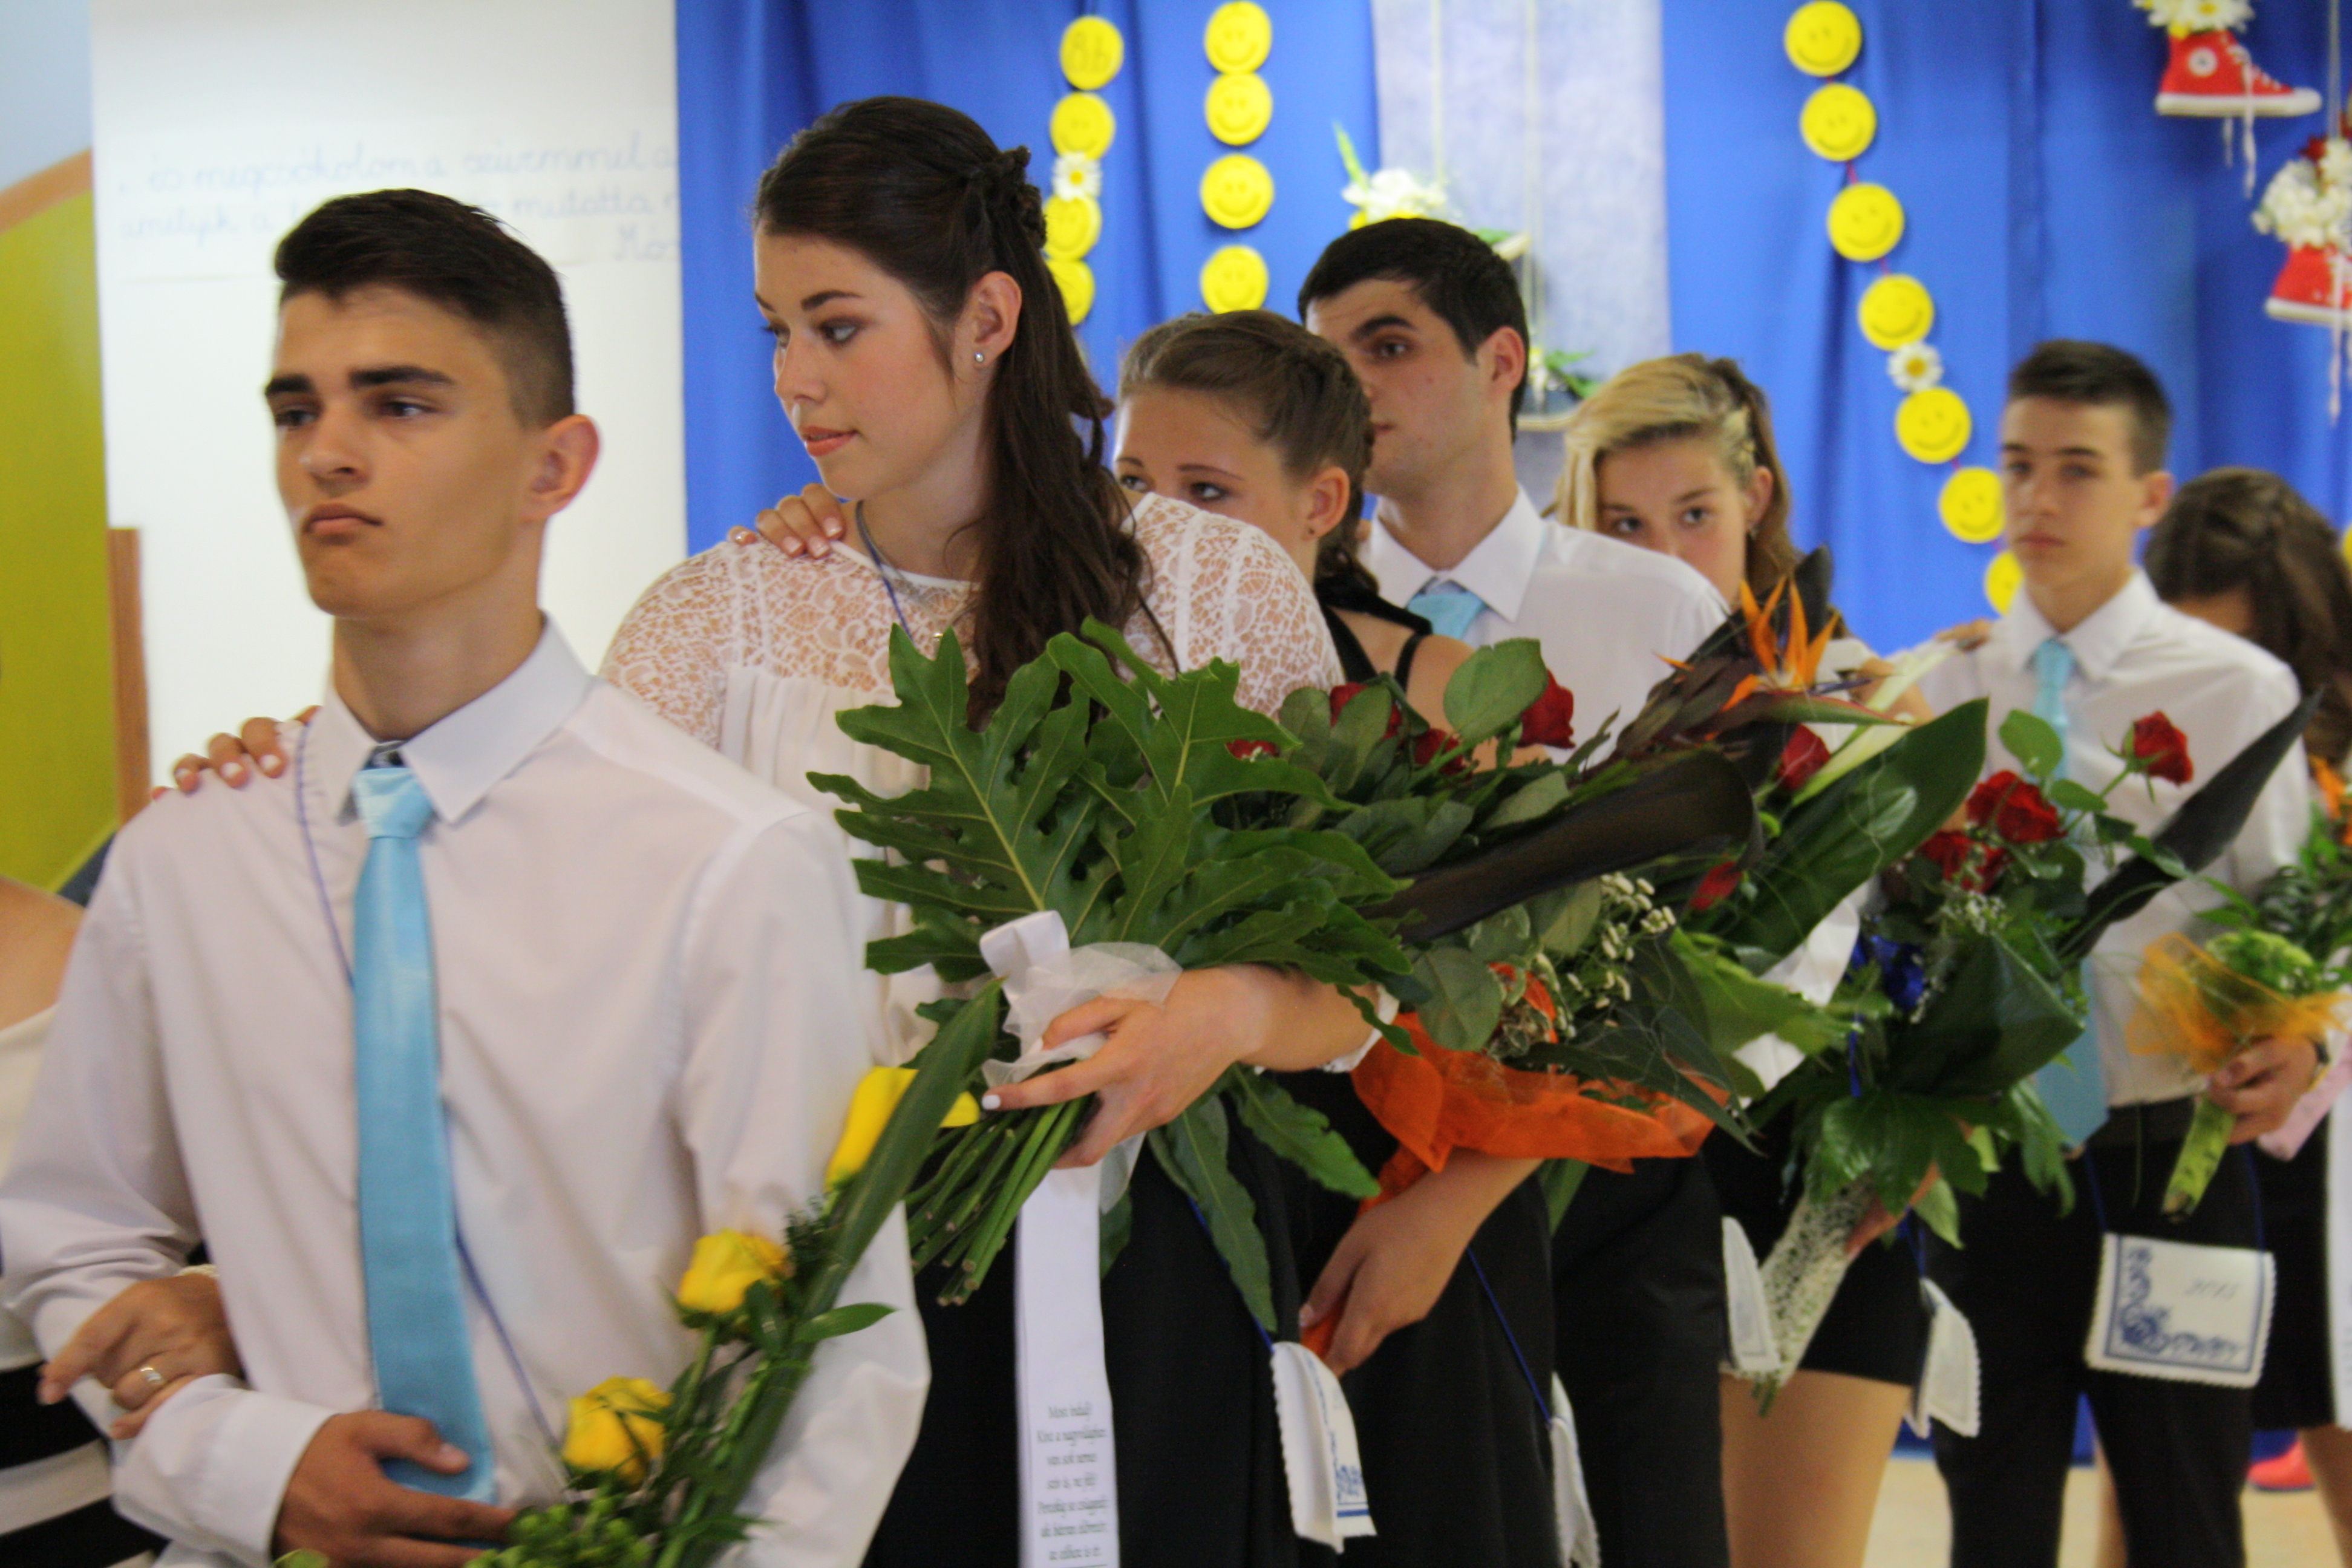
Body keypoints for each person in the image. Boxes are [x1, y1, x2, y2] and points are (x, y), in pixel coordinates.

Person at [0, 189, 927, 1568]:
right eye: (296, 410)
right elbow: (75, 1237)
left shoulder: (722, 860)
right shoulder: (188, 862)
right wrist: (246, 1464)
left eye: (400, 404)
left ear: (554, 466)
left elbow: (835, 1357)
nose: (329, 452)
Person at [1298, 215, 1734, 1568]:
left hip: (1619, 1184)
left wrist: (1494, 1171)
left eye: (1389, 346)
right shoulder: (1293, 616)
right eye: (1325, 358)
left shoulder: (1656, 609)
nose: (1352, 386)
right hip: (1372, 1180)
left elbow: (1743, 928)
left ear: (1502, 361)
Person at [1111, 307, 1560, 1567]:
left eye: (1207, 491)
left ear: (1321, 502)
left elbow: (1558, 991)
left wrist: (1443, 1214)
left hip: (1394, 1206)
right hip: (1187, 1202)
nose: (1158, 524)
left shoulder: (1437, 689)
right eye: (1133, 483)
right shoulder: (1082, 675)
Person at [1913, 342, 2320, 1568]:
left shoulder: (2238, 689)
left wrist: (2309, 1044)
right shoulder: (1938, 687)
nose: (2038, 499)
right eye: (2017, 465)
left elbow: (2301, 923)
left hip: (2174, 1167)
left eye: (2078, 469)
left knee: (2187, 1523)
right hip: (1988, 1170)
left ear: (2151, 493)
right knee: (1992, 1526)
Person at [1558, 352, 1927, 1568]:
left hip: (1815, 1186)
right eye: (1625, 524)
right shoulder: (1561, 704)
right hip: (1613, 1177)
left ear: (1756, 499)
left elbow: (1951, 945)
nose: (1667, 556)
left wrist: (1928, 1121)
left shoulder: (1867, 697)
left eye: (1694, 515)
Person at [2129, 466, 2352, 1564]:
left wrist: (2320, 1033)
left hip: (2329, 1160)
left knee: (2338, 1421)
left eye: (2256, 659)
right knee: (2157, 1475)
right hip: (2182, 1138)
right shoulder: (2139, 732)